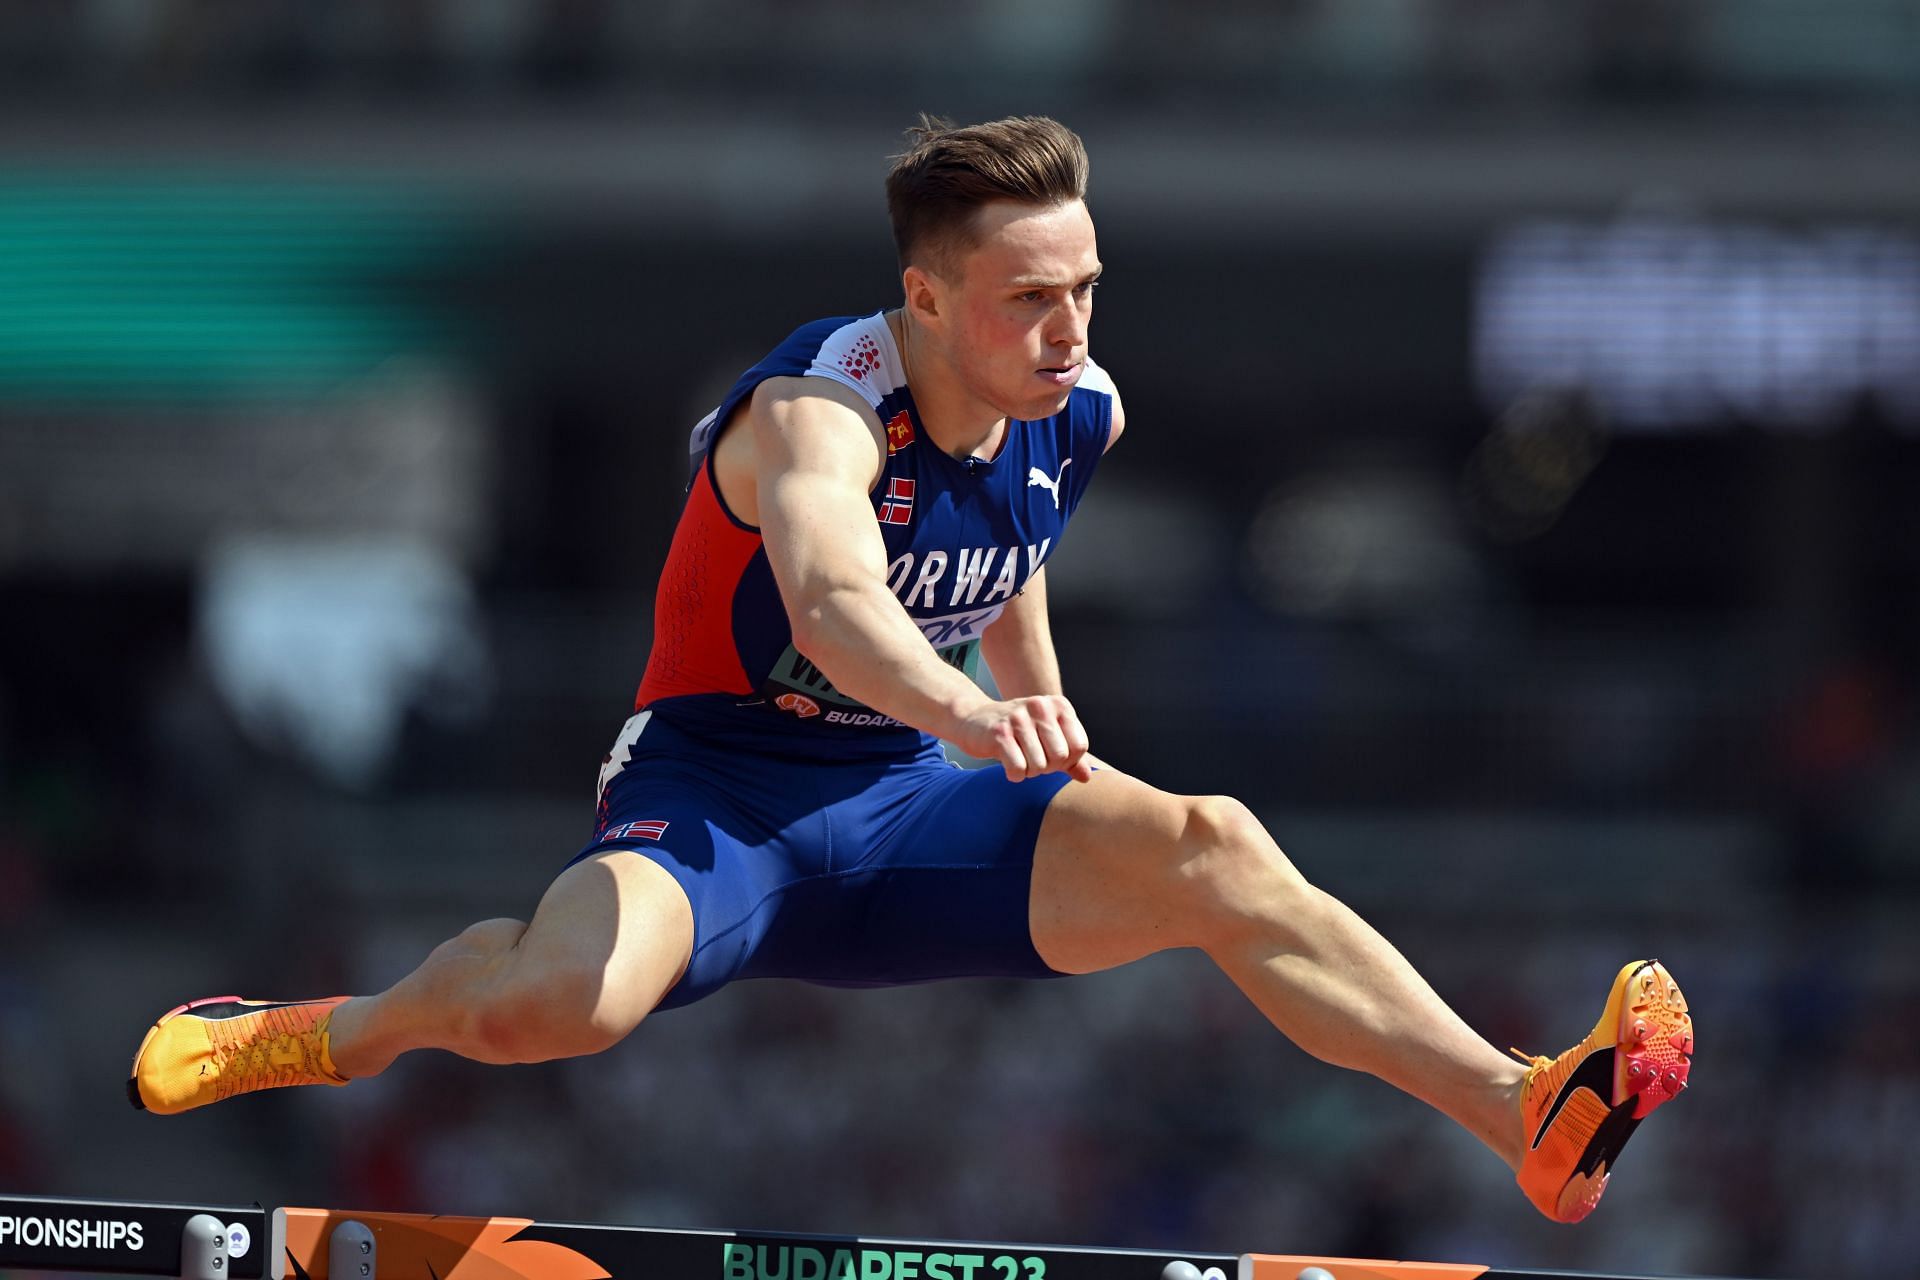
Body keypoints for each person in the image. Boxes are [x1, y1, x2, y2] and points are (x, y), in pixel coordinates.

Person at [128, 116, 1692, 1225]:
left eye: (1084, 287)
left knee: (1215, 846)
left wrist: (1041, 711)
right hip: (720, 798)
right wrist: (968, 711)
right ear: (927, 298)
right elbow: (829, 604)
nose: (1068, 327)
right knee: (561, 1001)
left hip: (910, 806)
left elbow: (1006, 569)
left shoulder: (1080, 413)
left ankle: (1523, 1113)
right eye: (1029, 297)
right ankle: (314, 1030)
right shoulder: (812, 413)